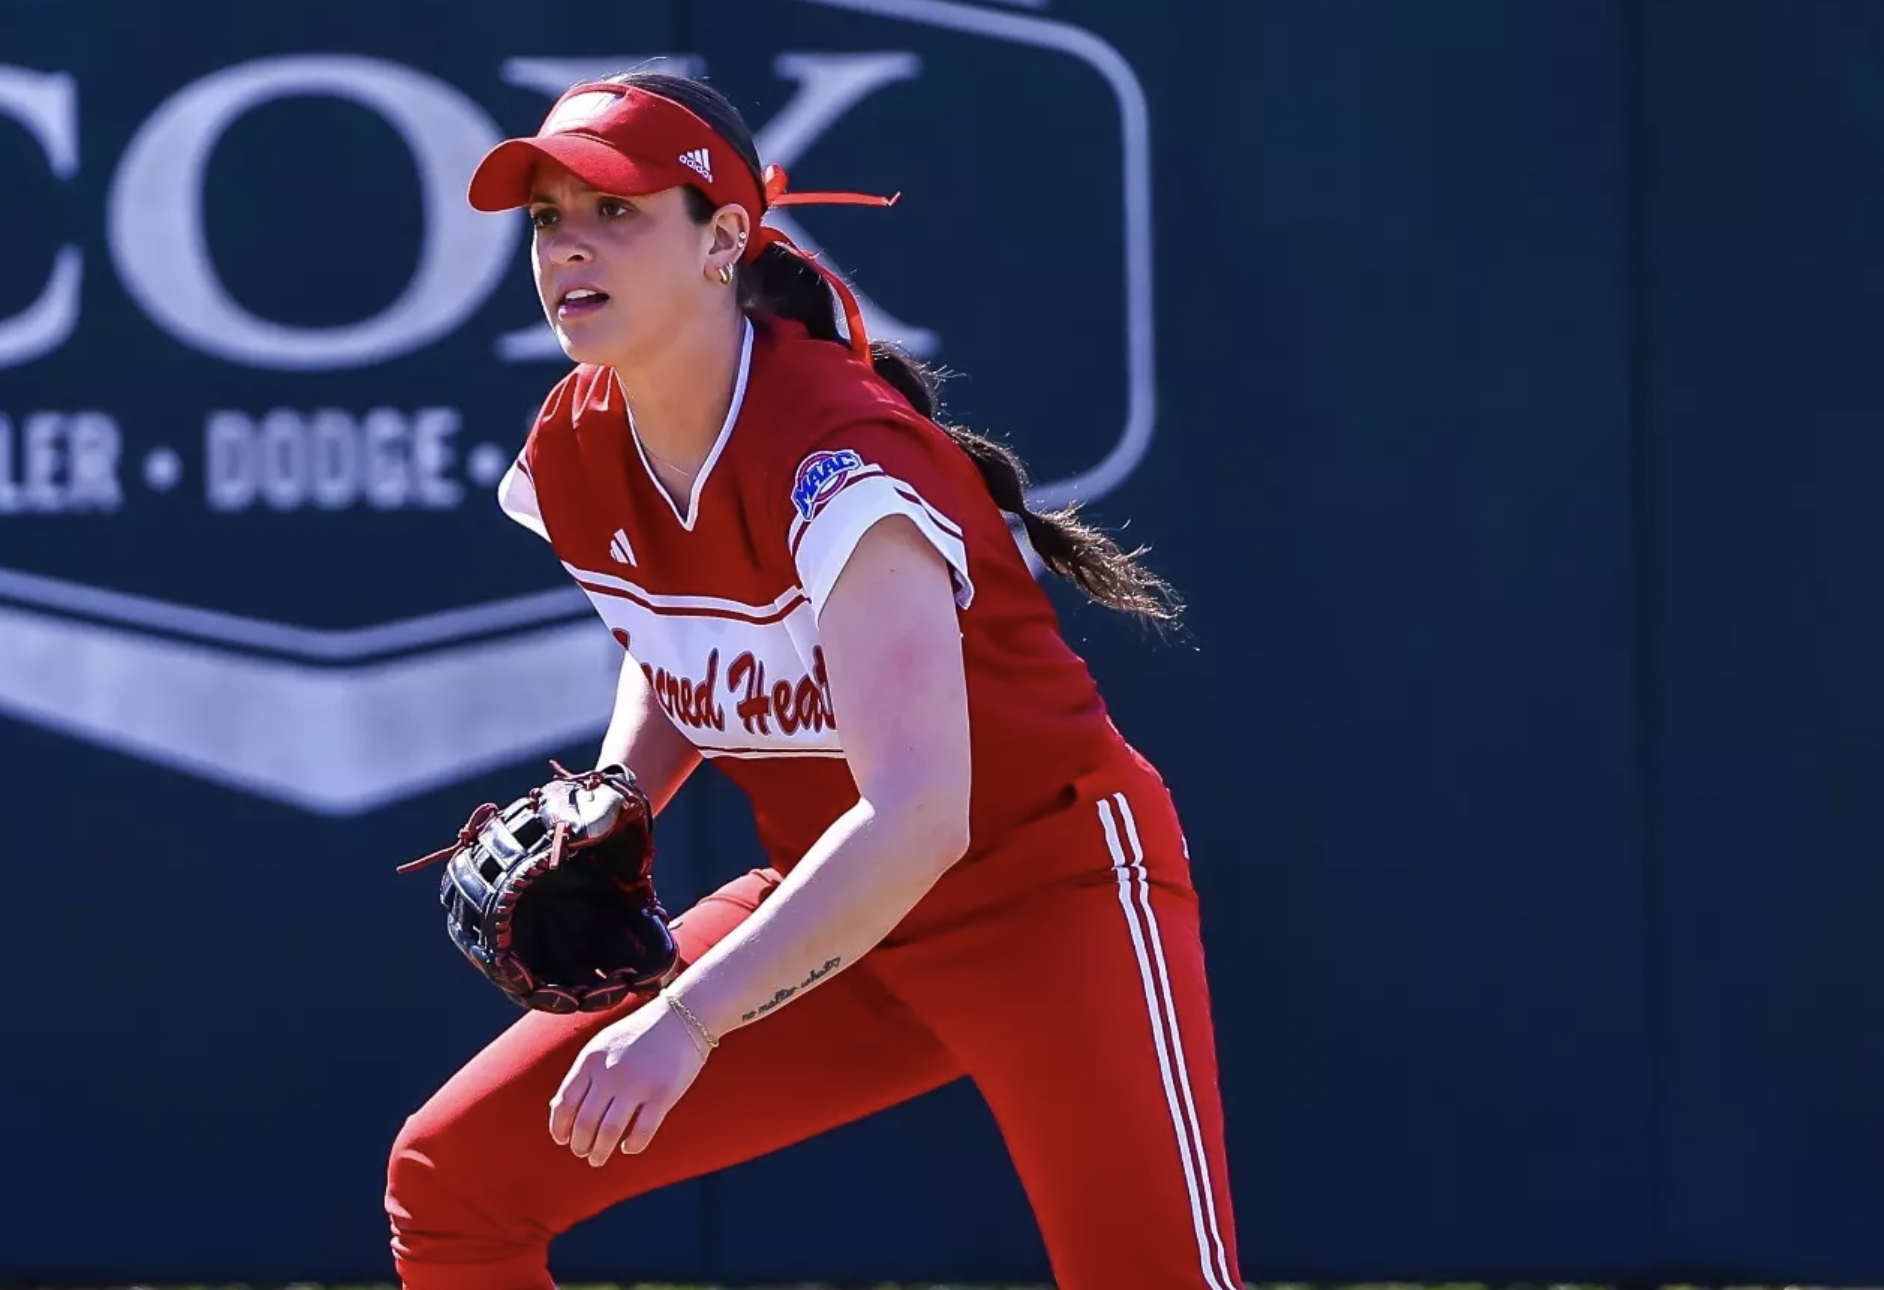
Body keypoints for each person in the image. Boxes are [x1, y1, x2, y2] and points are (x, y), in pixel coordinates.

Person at [384, 69, 1242, 1290]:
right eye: (548, 218)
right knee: (453, 1182)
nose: (570, 246)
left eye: (617, 212)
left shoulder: (839, 462)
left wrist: (686, 1021)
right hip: (835, 906)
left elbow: (919, 814)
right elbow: (673, 643)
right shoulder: (575, 442)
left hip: (1045, 894)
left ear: (724, 237)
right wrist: (621, 796)